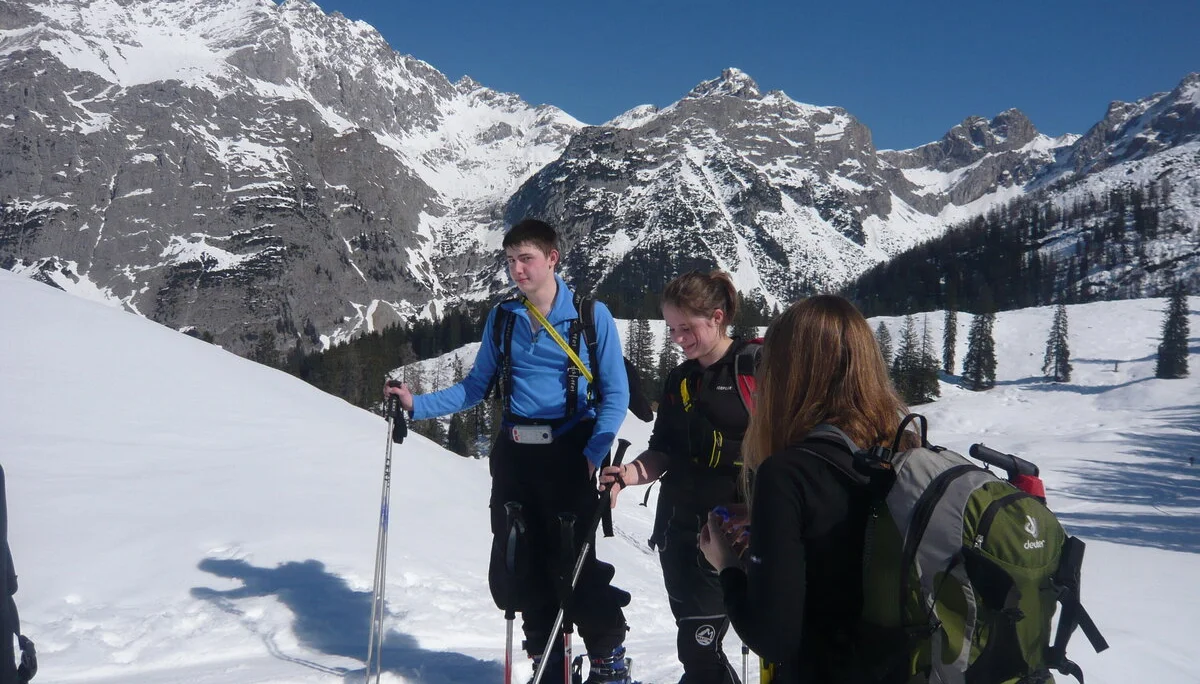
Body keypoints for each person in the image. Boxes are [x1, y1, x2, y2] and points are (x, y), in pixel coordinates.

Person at [384, 219, 633, 684]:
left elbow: (615, 395)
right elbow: (477, 386)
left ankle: (606, 658)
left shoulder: (589, 315)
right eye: (511, 260)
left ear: (552, 259)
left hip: (570, 453)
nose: (517, 270)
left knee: (575, 561)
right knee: (522, 561)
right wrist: (416, 405)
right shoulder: (504, 317)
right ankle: (546, 662)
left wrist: (595, 452)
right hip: (516, 457)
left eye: (527, 259)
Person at [697, 295, 916, 684]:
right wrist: (771, 522)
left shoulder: (788, 474)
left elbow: (773, 637)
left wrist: (727, 565)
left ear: (789, 374)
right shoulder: (904, 450)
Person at [600, 271, 757, 684]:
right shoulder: (680, 379)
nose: (678, 339)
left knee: (702, 648)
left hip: (735, 533)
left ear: (718, 316)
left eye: (686, 328)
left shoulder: (756, 370)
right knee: (695, 647)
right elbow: (663, 450)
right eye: (672, 329)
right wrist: (627, 475)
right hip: (680, 532)